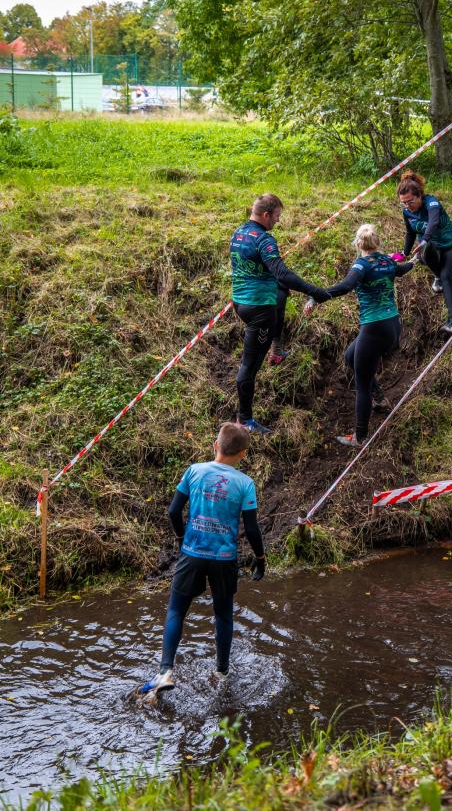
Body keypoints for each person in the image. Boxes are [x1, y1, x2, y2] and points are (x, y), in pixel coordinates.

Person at [139, 423, 265, 697]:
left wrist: (183, 538)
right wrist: (260, 557)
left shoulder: (194, 471)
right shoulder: (245, 484)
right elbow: (252, 529)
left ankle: (165, 671)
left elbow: (173, 512)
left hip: (192, 553)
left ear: (215, 446)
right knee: (223, 615)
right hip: (224, 558)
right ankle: (221, 672)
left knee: (176, 610)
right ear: (243, 454)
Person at [305, 224, 414, 447]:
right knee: (349, 357)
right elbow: (402, 269)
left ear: (358, 244)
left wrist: (316, 297)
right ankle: (381, 399)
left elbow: (346, 286)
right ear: (377, 242)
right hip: (393, 324)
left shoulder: (361, 265)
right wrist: (416, 260)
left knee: (362, 384)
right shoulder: (386, 261)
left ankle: (360, 437)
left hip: (374, 328)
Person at [230, 193, 330, 434]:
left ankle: (277, 348)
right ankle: (245, 420)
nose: (277, 221)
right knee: (250, 365)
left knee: (281, 294)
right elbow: (282, 273)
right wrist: (314, 291)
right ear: (265, 215)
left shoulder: (239, 232)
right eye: (276, 217)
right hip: (259, 309)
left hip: (241, 302)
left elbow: (274, 277)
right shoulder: (265, 240)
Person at [395, 170, 452, 335]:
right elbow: (410, 232)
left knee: (447, 276)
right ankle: (436, 274)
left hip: (449, 247)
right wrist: (404, 253)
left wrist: (424, 240)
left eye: (410, 202)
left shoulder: (431, 203)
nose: (407, 206)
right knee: (427, 248)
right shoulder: (407, 212)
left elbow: (434, 221)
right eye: (403, 203)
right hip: (429, 250)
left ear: (420, 196)